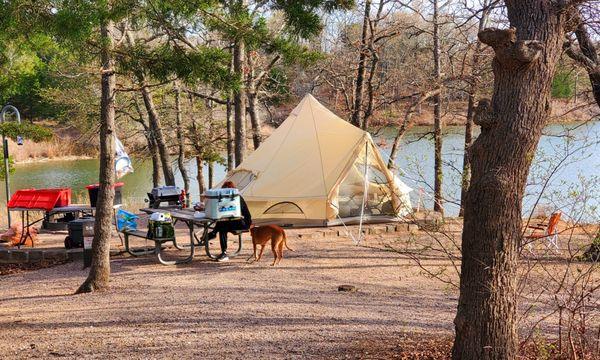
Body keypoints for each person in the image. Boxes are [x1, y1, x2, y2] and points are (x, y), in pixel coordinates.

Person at [208, 181, 252, 262]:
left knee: (222, 226)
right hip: (233, 222)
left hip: (244, 223)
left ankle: (215, 235)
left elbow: (242, 214)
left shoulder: (236, 198)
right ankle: (222, 249)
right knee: (223, 223)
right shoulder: (225, 199)